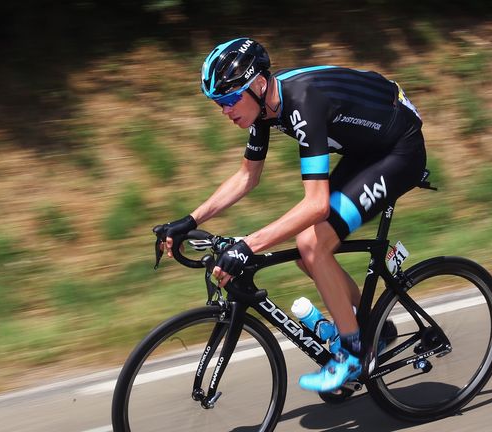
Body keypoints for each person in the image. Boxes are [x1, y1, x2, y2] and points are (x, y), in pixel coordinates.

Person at [158, 37, 426, 393]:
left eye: (227, 99)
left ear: (255, 84)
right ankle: (375, 329)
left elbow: (314, 205)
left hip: (399, 149)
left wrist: (247, 246)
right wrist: (190, 221)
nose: (224, 110)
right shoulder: (265, 106)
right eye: (217, 103)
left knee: (312, 244)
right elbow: (246, 177)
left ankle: (352, 352)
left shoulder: (302, 102)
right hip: (368, 150)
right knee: (308, 252)